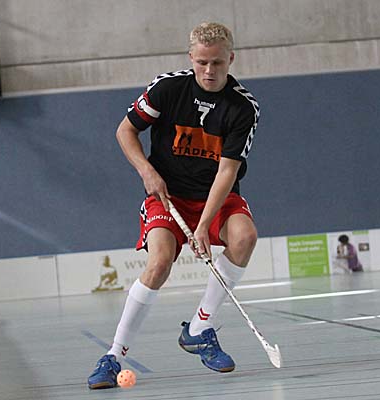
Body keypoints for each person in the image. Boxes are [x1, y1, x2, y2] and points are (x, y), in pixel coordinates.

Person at [88, 22, 260, 389]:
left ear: (231, 59)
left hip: (215, 195)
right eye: (202, 62)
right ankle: (113, 355)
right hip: (167, 195)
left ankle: (200, 328)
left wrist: (203, 226)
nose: (209, 71)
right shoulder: (167, 89)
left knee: (245, 237)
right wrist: (146, 171)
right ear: (191, 57)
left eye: (217, 63)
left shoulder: (243, 107)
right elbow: (125, 131)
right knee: (159, 263)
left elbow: (227, 171)